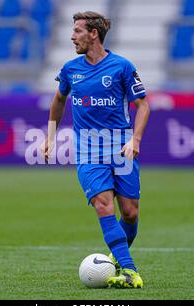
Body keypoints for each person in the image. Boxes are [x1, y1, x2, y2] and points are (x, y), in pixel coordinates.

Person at [43, 11, 151, 288]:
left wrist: (135, 139)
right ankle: (129, 270)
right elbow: (58, 99)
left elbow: (143, 106)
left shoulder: (122, 67)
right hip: (89, 151)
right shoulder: (70, 70)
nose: (72, 36)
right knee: (104, 205)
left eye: (78, 30)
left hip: (121, 148)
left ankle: (116, 260)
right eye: (72, 30)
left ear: (94, 34)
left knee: (130, 212)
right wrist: (51, 136)